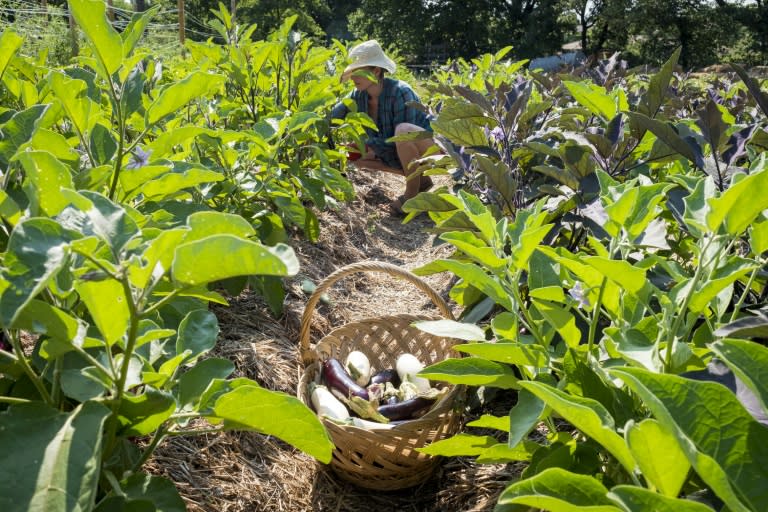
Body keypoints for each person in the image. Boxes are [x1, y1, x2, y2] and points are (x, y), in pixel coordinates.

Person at [331, 40, 436, 216]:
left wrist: (371, 146)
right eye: (352, 72)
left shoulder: (401, 91)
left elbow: (402, 140)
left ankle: (411, 197)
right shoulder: (358, 96)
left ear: (377, 71)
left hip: (428, 149)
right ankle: (422, 181)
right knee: (355, 157)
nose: (354, 77)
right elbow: (331, 117)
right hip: (400, 151)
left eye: (359, 71)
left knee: (403, 130)